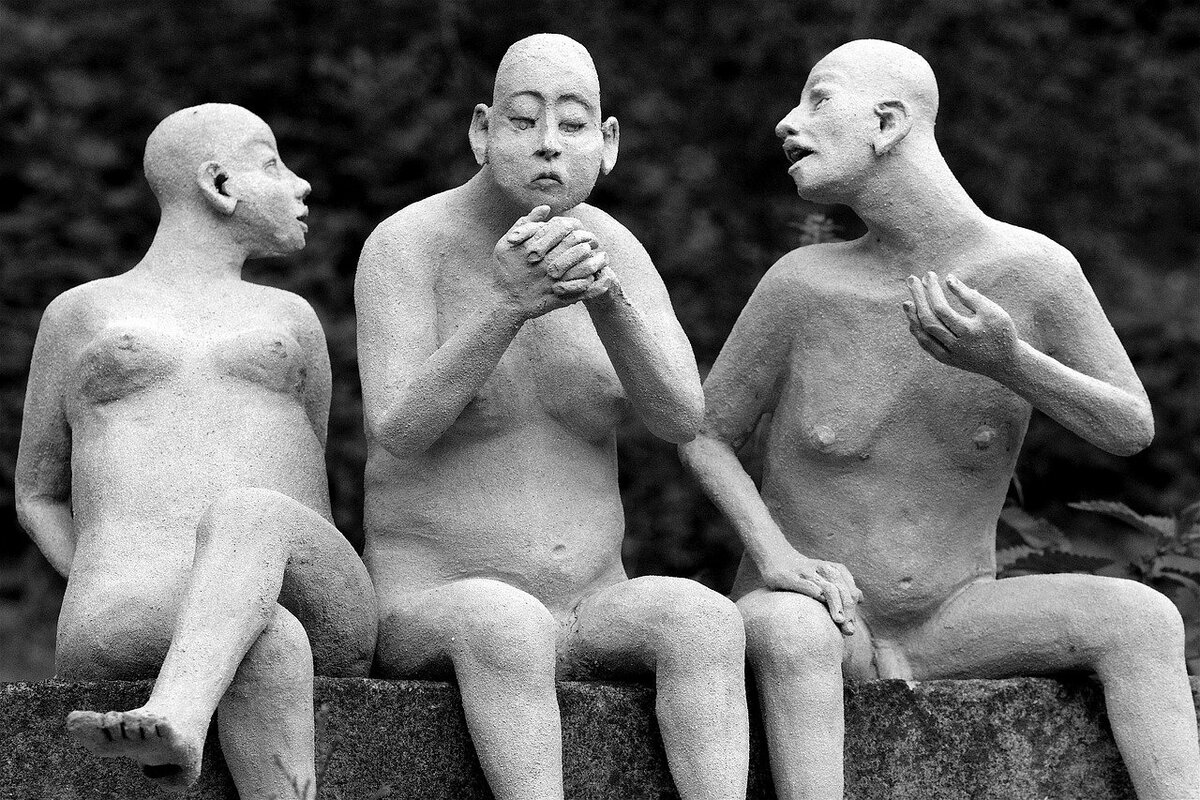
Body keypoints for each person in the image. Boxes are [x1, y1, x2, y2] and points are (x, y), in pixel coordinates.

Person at [679, 39, 1200, 800]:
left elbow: (1130, 428)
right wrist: (776, 558)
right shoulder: (801, 285)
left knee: (1143, 619)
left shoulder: (1036, 273)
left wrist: (1011, 363)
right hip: (816, 615)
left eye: (818, 99)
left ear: (887, 123)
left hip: (956, 616)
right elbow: (703, 432)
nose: (788, 123)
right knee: (793, 635)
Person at [355, 33, 749, 800]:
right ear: (482, 130)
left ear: (608, 143)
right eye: (523, 119)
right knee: (507, 625)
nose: (548, 144)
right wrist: (507, 307)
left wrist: (608, 299)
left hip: (590, 601)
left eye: (572, 124)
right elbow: (398, 429)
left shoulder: (620, 251)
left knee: (703, 620)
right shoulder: (408, 246)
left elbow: (680, 417)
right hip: (440, 600)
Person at [15, 103, 377, 798]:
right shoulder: (79, 314)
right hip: (134, 604)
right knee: (268, 641)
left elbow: (313, 466)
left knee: (252, 515)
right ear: (219, 184)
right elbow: (36, 492)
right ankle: (191, 691)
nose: (300, 184)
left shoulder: (291, 319)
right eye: (272, 164)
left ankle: (178, 710)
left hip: (314, 591)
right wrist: (98, 570)